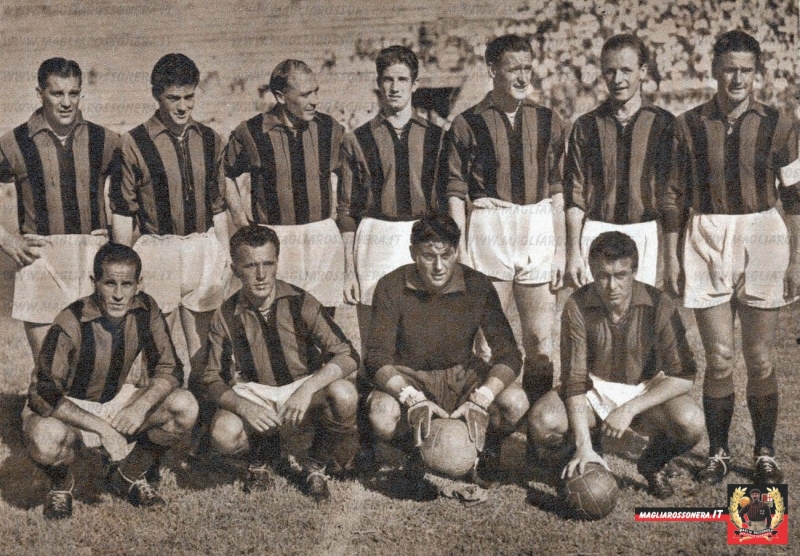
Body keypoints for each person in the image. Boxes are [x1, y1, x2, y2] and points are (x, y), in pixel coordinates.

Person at [663, 30, 800, 484]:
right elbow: (674, 195)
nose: (737, 79)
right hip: (706, 232)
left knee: (759, 359)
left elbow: (795, 196)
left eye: (745, 70)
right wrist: (672, 258)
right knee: (720, 357)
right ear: (714, 71)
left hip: (762, 234)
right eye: (729, 70)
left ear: (756, 72)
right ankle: (718, 452)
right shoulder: (688, 125)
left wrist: (797, 259)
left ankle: (764, 452)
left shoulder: (780, 123)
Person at [23, 242, 197, 519]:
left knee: (184, 406)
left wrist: (139, 407)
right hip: (70, 406)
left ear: (139, 284)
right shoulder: (70, 319)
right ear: (94, 282)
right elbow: (44, 394)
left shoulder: (145, 308)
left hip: (113, 400)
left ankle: (127, 475)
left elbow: (171, 369)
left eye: (126, 284)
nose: (118, 294)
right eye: (109, 283)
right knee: (45, 438)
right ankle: (61, 485)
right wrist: (103, 429)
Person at [528, 232, 703, 499]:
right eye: (603, 276)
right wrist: (583, 445)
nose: (612, 286)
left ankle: (652, 463)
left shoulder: (658, 303)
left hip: (644, 388)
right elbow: (575, 381)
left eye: (620, 275)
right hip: (593, 389)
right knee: (544, 420)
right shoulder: (577, 304)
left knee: (691, 422)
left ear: (634, 271)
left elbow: (684, 375)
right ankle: (580, 459)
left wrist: (629, 409)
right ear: (591, 270)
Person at [195, 225, 360, 502]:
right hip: (257, 393)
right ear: (235, 270)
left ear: (277, 263)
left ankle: (316, 464)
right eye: (250, 266)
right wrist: (244, 407)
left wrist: (307, 389)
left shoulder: (300, 301)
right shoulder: (225, 314)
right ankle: (260, 458)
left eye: (268, 264)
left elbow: (347, 354)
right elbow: (212, 378)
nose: (261, 275)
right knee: (223, 434)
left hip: (302, 390)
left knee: (345, 393)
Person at [364, 214, 529, 490]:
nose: (439, 266)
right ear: (413, 253)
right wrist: (411, 397)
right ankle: (414, 454)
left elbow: (509, 354)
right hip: (410, 375)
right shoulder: (391, 285)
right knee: (382, 414)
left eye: (446, 255)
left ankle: (486, 452)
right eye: (429, 256)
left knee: (516, 402)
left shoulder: (477, 285)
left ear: (457, 252)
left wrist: (483, 397)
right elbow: (376, 357)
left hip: (462, 377)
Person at [446, 34, 567, 408]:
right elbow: (455, 190)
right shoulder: (467, 123)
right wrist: (461, 248)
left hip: (537, 224)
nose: (522, 76)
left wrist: (561, 249)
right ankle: (486, 425)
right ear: (492, 70)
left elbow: (558, 189)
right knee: (485, 340)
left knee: (540, 341)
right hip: (489, 225)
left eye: (527, 68)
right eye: (513, 68)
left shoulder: (548, 120)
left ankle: (538, 426)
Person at [110, 53, 231, 377]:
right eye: (173, 98)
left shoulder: (210, 140)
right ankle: (158, 408)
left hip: (202, 247)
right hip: (157, 250)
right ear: (156, 95)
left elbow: (218, 206)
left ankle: (205, 407)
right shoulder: (133, 142)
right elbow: (123, 212)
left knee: (206, 352)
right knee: (157, 354)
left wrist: (225, 254)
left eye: (189, 97)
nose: (182, 106)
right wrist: (124, 266)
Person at [0, 58, 119, 362]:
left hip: (92, 254)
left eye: (73, 93)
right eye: (57, 93)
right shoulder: (14, 142)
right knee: (47, 367)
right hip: (40, 256)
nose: (66, 102)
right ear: (39, 93)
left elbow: (138, 189)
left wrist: (118, 243)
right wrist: (7, 240)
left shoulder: (105, 140)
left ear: (81, 93)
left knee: (92, 365)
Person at [338, 45, 447, 354]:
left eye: (402, 79)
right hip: (375, 236)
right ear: (378, 83)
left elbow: (446, 203)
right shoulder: (357, 139)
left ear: (415, 84)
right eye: (388, 79)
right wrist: (348, 271)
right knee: (376, 340)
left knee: (423, 337)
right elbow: (346, 211)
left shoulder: (437, 136)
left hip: (422, 235)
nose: (395, 87)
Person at [224, 59, 346, 312]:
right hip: (276, 236)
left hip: (322, 236)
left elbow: (351, 174)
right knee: (279, 316)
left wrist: (339, 217)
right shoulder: (251, 132)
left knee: (322, 317)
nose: (314, 101)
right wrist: (240, 220)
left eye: (316, 91)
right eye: (305, 95)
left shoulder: (330, 129)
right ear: (280, 97)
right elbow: (224, 173)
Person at [565, 34, 674, 288]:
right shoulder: (586, 125)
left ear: (642, 71)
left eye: (626, 70)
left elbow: (672, 196)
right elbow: (575, 195)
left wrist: (671, 256)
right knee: (597, 311)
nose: (618, 79)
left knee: (643, 311)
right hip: (597, 231)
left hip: (645, 232)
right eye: (610, 71)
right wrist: (573, 252)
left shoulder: (664, 124)